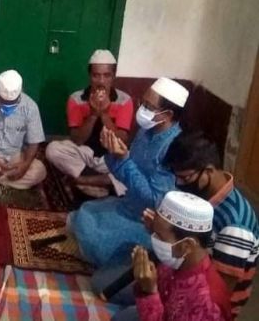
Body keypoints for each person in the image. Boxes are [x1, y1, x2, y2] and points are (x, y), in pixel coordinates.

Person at [70, 77, 189, 271]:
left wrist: (124, 159)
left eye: (148, 106)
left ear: (167, 114)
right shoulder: (146, 131)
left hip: (147, 222)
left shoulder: (173, 147)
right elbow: (126, 170)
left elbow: (155, 201)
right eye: (142, 103)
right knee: (85, 213)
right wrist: (112, 151)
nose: (141, 109)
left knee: (96, 240)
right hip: (128, 204)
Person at [163, 131, 259, 318]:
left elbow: (217, 292)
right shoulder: (204, 197)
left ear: (208, 171)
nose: (179, 184)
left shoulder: (235, 228)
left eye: (185, 178)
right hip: (182, 275)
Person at [116, 191, 231, 321]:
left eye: (160, 236)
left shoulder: (206, 304)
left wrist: (149, 292)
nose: (154, 240)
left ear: (187, 245)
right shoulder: (177, 259)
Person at [46, 49, 134, 197]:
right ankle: (103, 181)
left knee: (135, 164)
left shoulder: (124, 100)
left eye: (106, 75)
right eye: (96, 75)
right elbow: (77, 140)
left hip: (110, 157)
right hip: (85, 153)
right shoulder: (76, 99)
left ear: (113, 76)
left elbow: (121, 140)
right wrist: (93, 114)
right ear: (89, 76)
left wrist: (104, 114)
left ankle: (84, 180)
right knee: (52, 149)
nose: (101, 81)